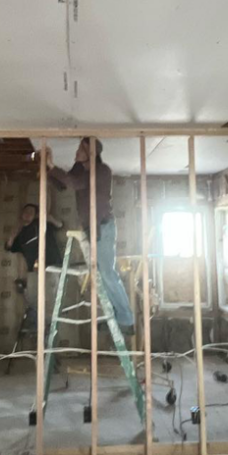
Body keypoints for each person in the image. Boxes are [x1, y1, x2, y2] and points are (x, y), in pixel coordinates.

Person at [46, 138, 135, 336]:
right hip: (91, 228)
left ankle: (126, 319)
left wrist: (53, 166)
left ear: (91, 153)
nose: (76, 152)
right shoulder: (80, 170)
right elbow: (63, 185)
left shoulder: (102, 171)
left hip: (103, 226)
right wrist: (47, 169)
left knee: (108, 273)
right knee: (102, 276)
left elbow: (75, 183)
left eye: (81, 149)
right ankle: (114, 316)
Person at [3, 203, 63, 271]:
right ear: (22, 214)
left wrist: (50, 219)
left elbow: (59, 225)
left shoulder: (41, 223)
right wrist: (12, 237)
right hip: (34, 271)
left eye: (31, 212)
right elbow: (8, 248)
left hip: (53, 266)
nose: (28, 213)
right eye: (26, 211)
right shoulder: (20, 234)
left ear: (35, 215)